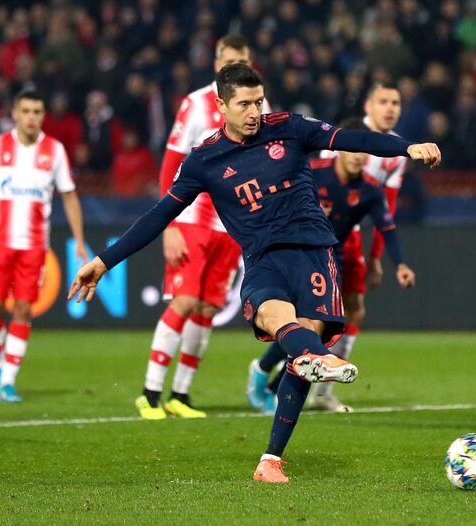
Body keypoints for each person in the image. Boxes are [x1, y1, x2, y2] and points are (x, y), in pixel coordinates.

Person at [68, 64, 440, 483]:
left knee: (300, 350)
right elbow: (158, 217)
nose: (254, 112)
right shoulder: (204, 160)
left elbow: (350, 138)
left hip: (315, 254)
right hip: (263, 259)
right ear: (221, 104)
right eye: (244, 103)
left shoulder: (289, 128)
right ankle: (316, 358)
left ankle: (270, 459)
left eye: (258, 101)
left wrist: (407, 147)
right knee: (275, 319)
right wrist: (103, 262)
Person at [135, 34, 271, 420]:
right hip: (192, 217)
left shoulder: (261, 107)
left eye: (241, 59)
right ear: (216, 64)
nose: (234, 66)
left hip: (231, 225)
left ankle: (180, 395)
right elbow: (169, 165)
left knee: (209, 307)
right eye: (228, 60)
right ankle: (149, 393)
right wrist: (170, 224)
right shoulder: (195, 104)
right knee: (185, 301)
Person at [247, 117, 417, 415]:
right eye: (351, 151)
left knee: (318, 324)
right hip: (296, 251)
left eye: (361, 153)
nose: (356, 157)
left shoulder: (369, 190)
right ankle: (266, 374)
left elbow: (386, 228)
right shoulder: (313, 173)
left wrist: (400, 263)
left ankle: (273, 380)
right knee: (302, 320)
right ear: (339, 151)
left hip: (330, 256)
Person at [0, 89, 86, 403]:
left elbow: (69, 195)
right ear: (15, 114)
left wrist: (78, 240)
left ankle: (8, 381)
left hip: (34, 246)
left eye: (37, 111)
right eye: (26, 111)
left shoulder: (55, 151)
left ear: (43, 116)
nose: (32, 117)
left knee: (23, 309)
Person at [309, 82, 409, 412]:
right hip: (322, 233)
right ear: (368, 106)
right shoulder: (346, 136)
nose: (390, 108)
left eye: (396, 102)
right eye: (383, 101)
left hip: (351, 232)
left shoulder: (396, 151)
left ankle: (323, 391)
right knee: (317, 314)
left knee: (354, 308)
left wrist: (377, 257)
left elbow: (387, 212)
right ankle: (270, 371)